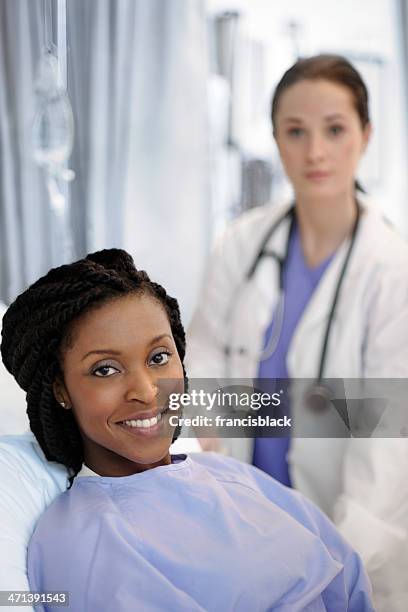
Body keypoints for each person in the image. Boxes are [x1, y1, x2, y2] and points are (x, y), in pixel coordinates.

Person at [0, 248, 373, 612]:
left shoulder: (233, 477)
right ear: (61, 389)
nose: (147, 391)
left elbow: (350, 579)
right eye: (106, 369)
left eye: (159, 358)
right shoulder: (81, 544)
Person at [186, 54, 408, 610]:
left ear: (366, 135)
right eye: (296, 131)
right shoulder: (241, 244)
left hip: (348, 541)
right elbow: (204, 360)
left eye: (335, 129)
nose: (315, 151)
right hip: (240, 524)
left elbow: (385, 442)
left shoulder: (392, 270)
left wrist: (328, 565)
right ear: (276, 139)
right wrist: (204, 436)